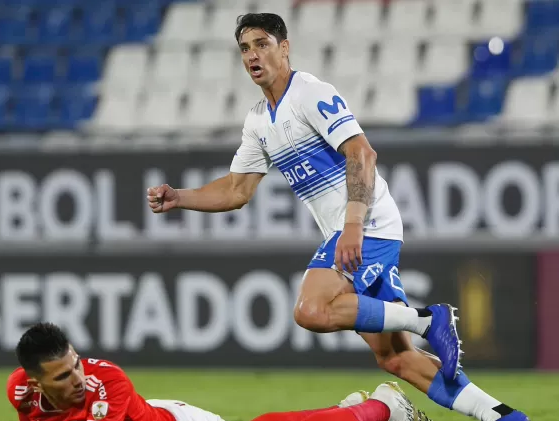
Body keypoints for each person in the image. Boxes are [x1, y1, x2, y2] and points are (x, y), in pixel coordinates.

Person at [145, 12, 528, 421]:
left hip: (369, 224)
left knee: (311, 310)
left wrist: (353, 225)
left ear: (284, 47)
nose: (252, 55)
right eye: (244, 48)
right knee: (396, 359)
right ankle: (504, 416)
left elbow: (362, 153)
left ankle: (426, 317)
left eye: (261, 44)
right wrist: (179, 197)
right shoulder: (258, 120)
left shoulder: (309, 92)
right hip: (354, 230)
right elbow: (238, 190)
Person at [7, 322, 433, 421]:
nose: (78, 378)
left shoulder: (108, 386)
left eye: (77, 365)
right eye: (63, 377)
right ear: (34, 381)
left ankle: (382, 408)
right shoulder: (20, 393)